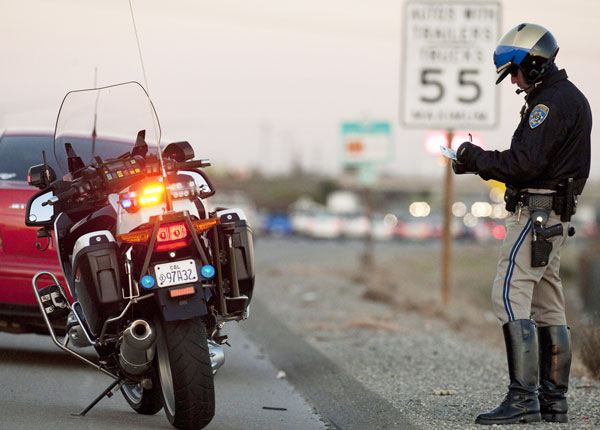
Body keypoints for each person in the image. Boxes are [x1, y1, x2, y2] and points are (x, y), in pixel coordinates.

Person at [452, 23, 592, 425]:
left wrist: (475, 157)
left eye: (514, 71)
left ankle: (523, 399)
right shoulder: (570, 99)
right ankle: (553, 401)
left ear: (532, 64)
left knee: (509, 296)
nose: (513, 80)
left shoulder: (548, 104)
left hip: (536, 215)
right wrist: (477, 164)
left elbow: (523, 165)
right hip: (554, 217)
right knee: (549, 303)